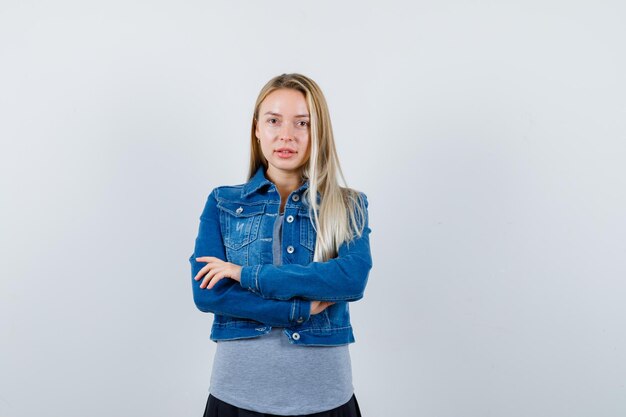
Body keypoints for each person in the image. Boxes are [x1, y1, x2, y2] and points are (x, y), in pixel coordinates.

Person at [189, 73, 373, 417]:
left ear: (318, 131)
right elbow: (208, 293)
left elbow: (350, 278)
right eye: (273, 120)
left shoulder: (348, 205)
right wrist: (298, 310)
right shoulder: (222, 203)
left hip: (325, 396)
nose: (286, 135)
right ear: (257, 128)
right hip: (237, 395)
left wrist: (244, 274)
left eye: (301, 123)